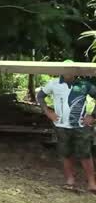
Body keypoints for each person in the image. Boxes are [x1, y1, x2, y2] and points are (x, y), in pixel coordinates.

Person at [36, 62, 96, 193]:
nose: (69, 72)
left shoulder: (84, 85)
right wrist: (48, 112)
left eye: (72, 70)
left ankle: (92, 183)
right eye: (66, 69)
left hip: (81, 126)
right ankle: (70, 180)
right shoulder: (54, 83)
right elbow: (40, 96)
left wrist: (93, 117)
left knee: (85, 154)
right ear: (61, 70)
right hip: (61, 125)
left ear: (76, 71)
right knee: (65, 153)